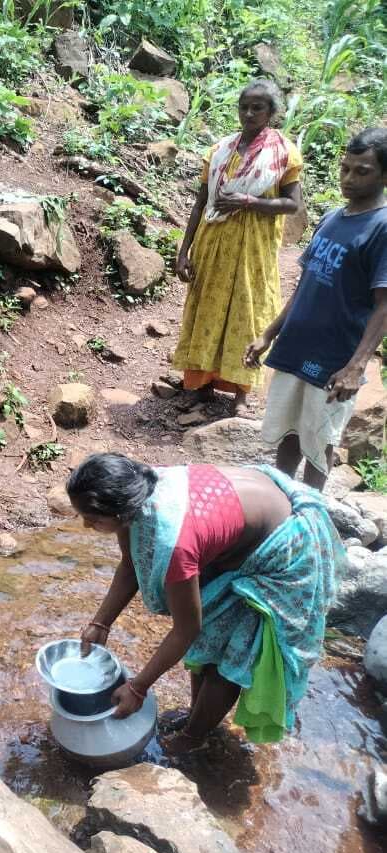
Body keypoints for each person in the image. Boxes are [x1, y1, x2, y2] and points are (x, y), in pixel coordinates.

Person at [68, 453, 341, 754]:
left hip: (282, 549)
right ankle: (195, 715)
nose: (86, 525)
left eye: (93, 519)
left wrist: (138, 687)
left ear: (121, 512)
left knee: (230, 654)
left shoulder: (174, 543)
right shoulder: (136, 490)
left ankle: (194, 737)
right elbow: (131, 565)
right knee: (209, 639)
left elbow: (187, 630)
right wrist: (101, 623)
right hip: (246, 520)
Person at [245, 127, 387, 490]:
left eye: (362, 171)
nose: (349, 178)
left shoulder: (381, 228)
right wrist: (269, 334)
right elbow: (305, 284)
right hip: (297, 346)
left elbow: (384, 305)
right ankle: (281, 499)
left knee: (319, 440)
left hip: (334, 358)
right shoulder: (331, 219)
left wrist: (356, 366)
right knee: (289, 431)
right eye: (345, 168)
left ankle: (311, 510)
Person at [173, 80, 304, 415]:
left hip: (254, 250)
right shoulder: (220, 150)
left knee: (248, 313)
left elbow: (292, 205)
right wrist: (184, 251)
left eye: (257, 107)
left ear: (271, 112)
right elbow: (201, 202)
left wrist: (249, 201)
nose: (249, 113)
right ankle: (199, 385)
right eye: (244, 106)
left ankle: (241, 393)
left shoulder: (283, 154)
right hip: (213, 244)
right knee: (206, 309)